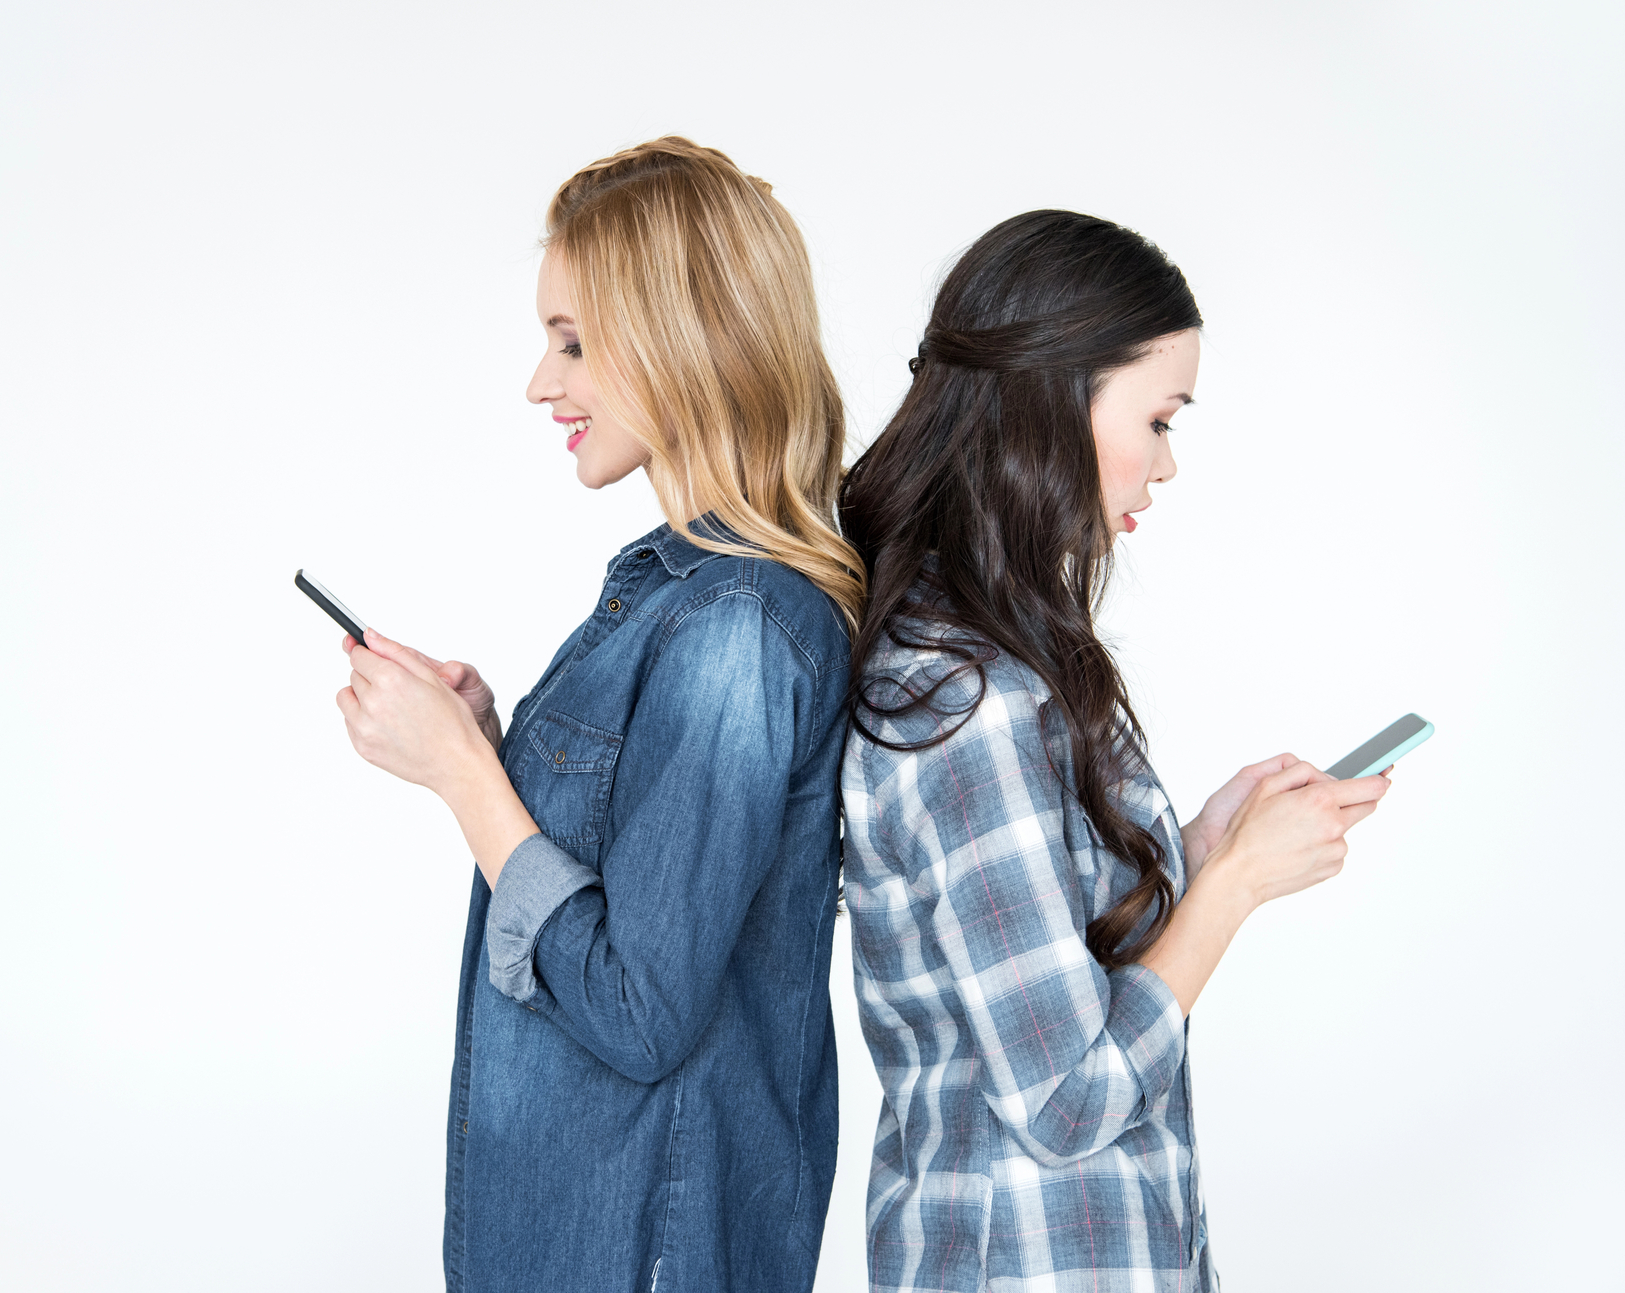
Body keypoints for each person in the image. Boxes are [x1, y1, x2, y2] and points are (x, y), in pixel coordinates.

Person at [334, 138, 863, 1293]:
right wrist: (483, 744)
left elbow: (638, 1009)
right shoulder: (673, 593)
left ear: (682, 334)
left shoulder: (734, 626)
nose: (540, 383)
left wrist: (462, 783)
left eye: (571, 342)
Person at [836, 210, 1394, 1292]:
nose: (1166, 463)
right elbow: (1063, 1100)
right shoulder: (967, 699)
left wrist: (1194, 844)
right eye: (1158, 417)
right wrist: (1227, 890)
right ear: (1055, 400)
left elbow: (1041, 946)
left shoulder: (985, 656)